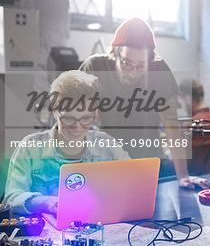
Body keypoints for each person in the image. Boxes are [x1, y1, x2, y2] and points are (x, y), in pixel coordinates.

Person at [79, 18, 210, 190]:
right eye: (127, 63)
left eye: (141, 65)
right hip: (107, 165)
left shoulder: (159, 71)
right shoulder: (95, 67)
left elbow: (172, 127)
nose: (133, 72)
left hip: (148, 166)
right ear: (115, 53)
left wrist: (183, 176)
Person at [4, 70, 130, 216]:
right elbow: (12, 198)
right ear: (54, 112)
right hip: (46, 233)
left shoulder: (107, 145)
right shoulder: (30, 148)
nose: (77, 127)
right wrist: (44, 202)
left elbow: (133, 184)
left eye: (85, 118)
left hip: (102, 228)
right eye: (68, 118)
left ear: (95, 113)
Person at [178, 79, 210, 175]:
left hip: (194, 178)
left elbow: (181, 163)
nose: (182, 107)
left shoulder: (190, 126)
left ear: (188, 99)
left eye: (181, 103)